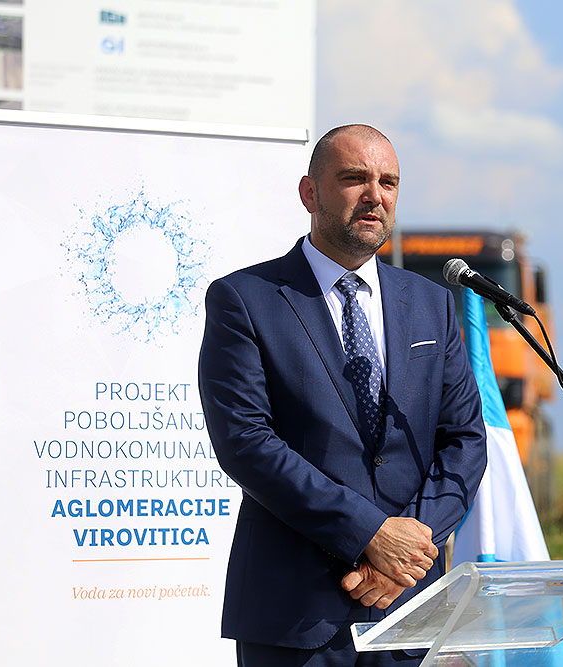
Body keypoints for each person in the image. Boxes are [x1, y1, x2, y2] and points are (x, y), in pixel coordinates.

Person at [198, 124, 487, 666]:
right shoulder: (245, 299)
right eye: (355, 178)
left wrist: (409, 549)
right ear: (310, 193)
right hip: (296, 614)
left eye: (388, 182)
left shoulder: (431, 303)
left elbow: (465, 440)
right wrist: (369, 534)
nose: (375, 195)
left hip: (410, 606)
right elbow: (246, 442)